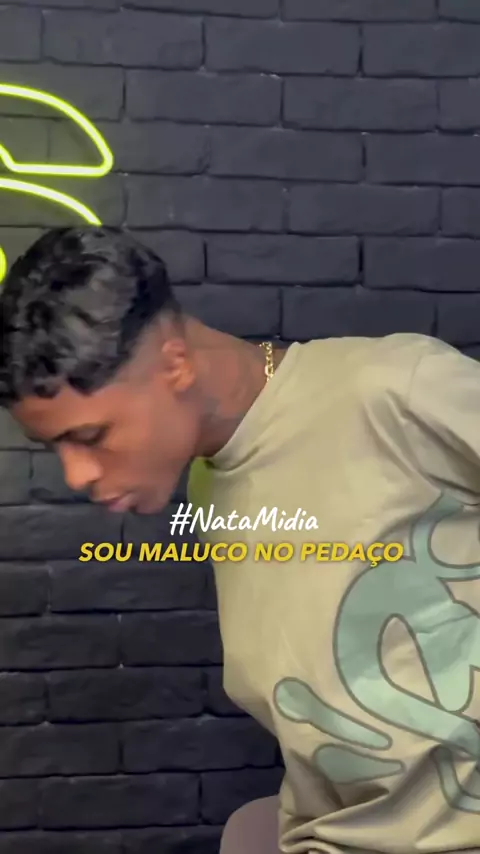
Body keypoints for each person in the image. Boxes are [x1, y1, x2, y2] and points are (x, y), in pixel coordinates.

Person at [2, 225, 480, 854]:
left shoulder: (397, 389)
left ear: (174, 363)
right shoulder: (212, 479)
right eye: (54, 446)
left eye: (90, 437)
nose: (76, 475)